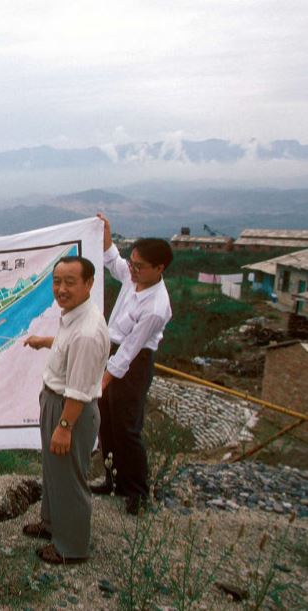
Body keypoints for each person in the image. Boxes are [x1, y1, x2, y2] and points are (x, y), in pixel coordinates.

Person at [21, 255, 109, 564]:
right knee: (54, 471)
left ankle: (71, 548)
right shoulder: (74, 316)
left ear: (88, 284)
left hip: (69, 410)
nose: (61, 289)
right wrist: (45, 341)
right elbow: (65, 344)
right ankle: (51, 524)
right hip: (57, 403)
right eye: (57, 281)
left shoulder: (87, 332)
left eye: (70, 282)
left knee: (69, 478)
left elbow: (79, 390)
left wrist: (64, 426)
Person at [93, 214, 173, 515]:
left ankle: (137, 490)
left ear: (159, 268)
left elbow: (129, 352)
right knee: (107, 422)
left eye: (139, 266)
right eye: (133, 263)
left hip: (134, 362)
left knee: (127, 426)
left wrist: (104, 379)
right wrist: (106, 234)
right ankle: (112, 480)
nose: (133, 269)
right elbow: (113, 261)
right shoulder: (133, 276)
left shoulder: (156, 306)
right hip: (112, 350)